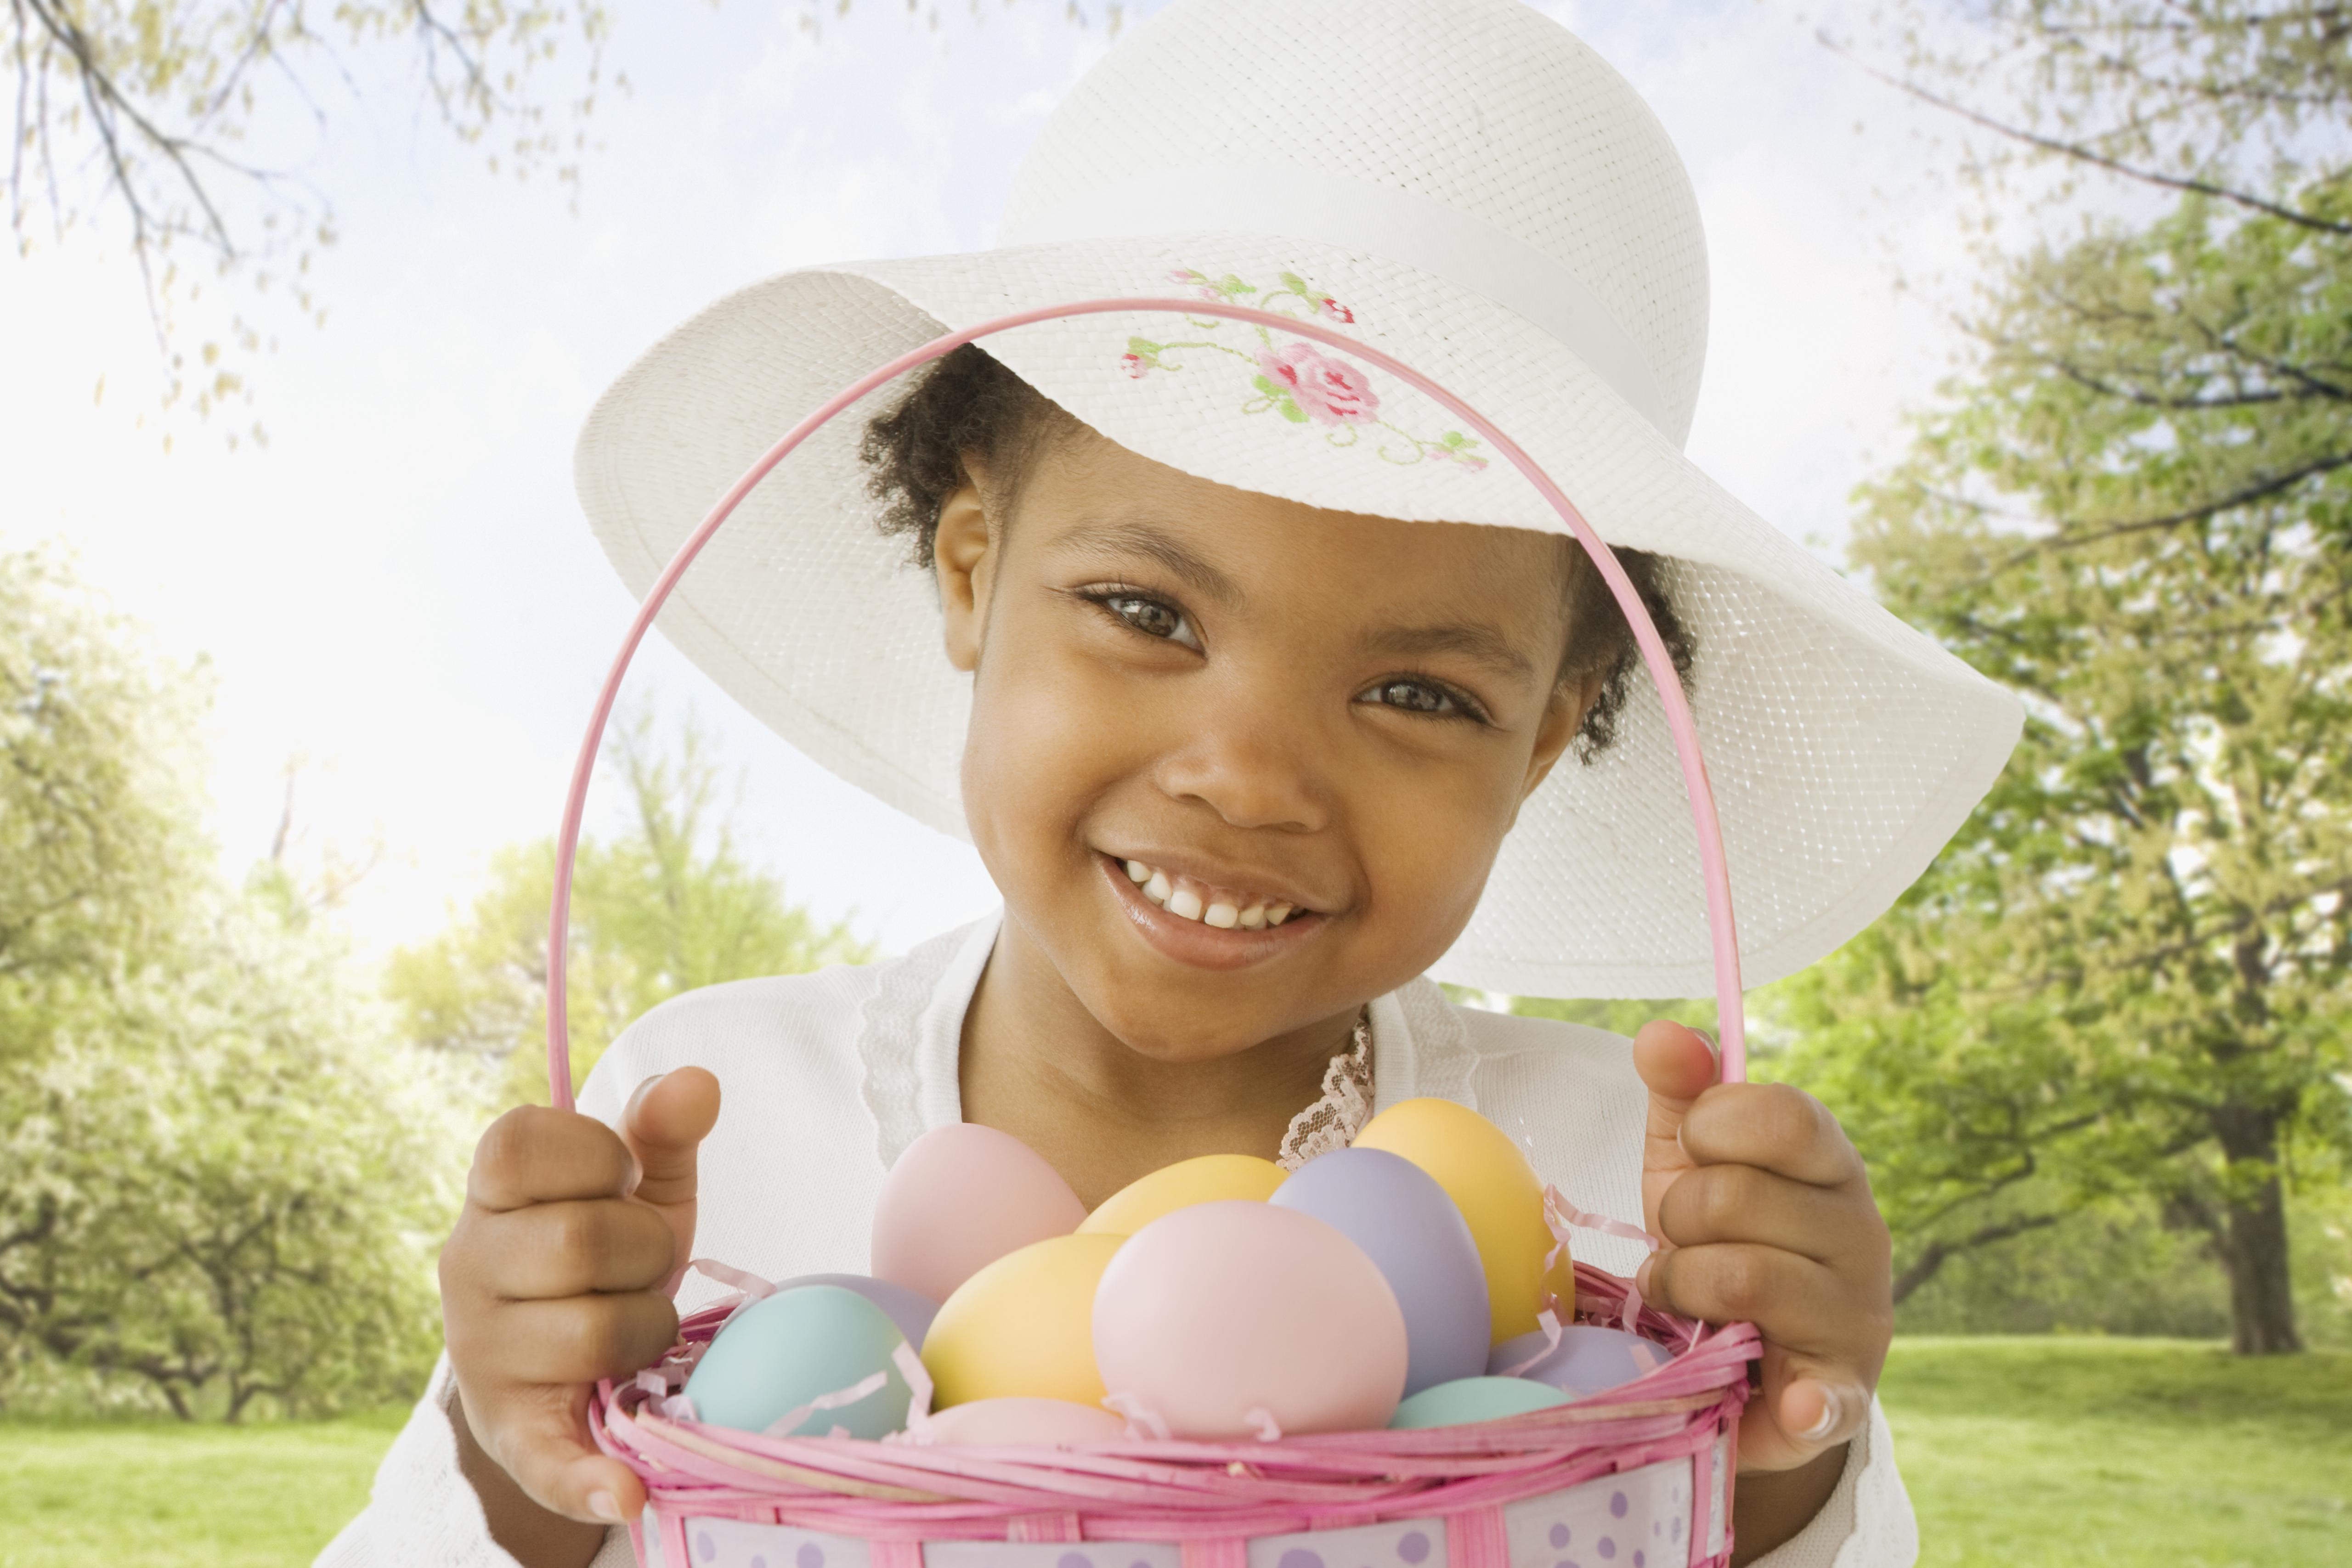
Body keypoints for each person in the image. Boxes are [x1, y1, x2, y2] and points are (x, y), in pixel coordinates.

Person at [320, 2, 2021, 1565]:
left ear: (1557, 725)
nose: (1248, 777)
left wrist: (1782, 1448)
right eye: (1147, 612)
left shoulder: (1602, 1205)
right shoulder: (712, 1131)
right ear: (972, 567)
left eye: (1420, 691)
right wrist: (515, 1451)